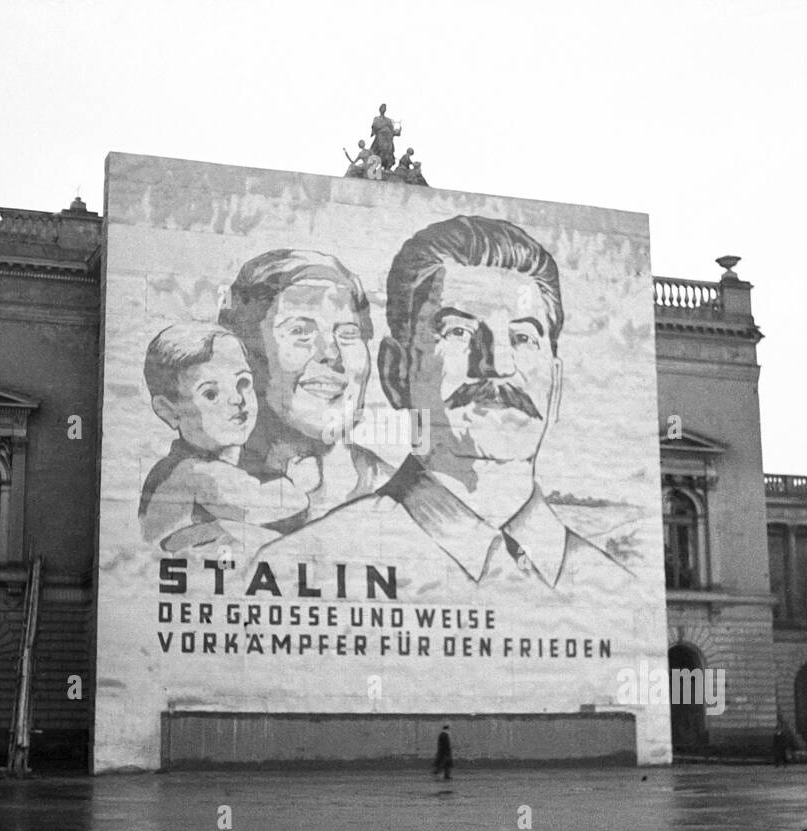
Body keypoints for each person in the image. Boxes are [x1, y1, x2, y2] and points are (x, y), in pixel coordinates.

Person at [257, 216, 632, 593]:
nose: (498, 365)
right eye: (459, 332)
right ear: (395, 372)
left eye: (522, 337)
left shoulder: (621, 594)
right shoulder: (295, 566)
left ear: (557, 384)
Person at [218, 250, 394, 528]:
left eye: (348, 334)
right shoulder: (201, 492)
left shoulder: (402, 501)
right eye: (301, 331)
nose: (331, 352)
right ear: (246, 353)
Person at [138, 323, 318, 555]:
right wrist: (299, 482)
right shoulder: (189, 472)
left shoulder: (246, 465)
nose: (236, 398)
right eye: (211, 394)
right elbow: (284, 505)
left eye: (243, 382)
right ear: (169, 410)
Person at [370, 103, 399, 170]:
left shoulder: (388, 120)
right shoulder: (376, 118)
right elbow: (375, 126)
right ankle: (376, 165)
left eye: (384, 108)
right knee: (380, 149)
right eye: (382, 108)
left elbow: (392, 129)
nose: (383, 109)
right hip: (380, 136)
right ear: (379, 110)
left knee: (389, 151)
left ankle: (387, 166)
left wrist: (397, 131)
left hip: (388, 137)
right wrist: (384, 125)